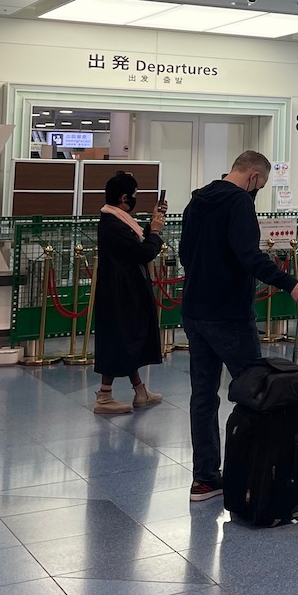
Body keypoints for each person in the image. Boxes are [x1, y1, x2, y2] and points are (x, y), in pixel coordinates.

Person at [178, 151, 298, 502]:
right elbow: (249, 256)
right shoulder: (239, 202)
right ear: (254, 176)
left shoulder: (197, 200)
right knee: (258, 391)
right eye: (261, 184)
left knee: (203, 396)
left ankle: (205, 478)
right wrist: (290, 283)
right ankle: (254, 473)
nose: (258, 190)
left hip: (194, 311)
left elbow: (183, 253)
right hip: (229, 315)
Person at [91, 172, 166, 415]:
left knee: (130, 340)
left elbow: (136, 242)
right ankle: (104, 396)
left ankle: (140, 390)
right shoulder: (113, 225)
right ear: (124, 198)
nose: (134, 200)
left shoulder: (118, 221)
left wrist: (152, 223)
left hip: (125, 291)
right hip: (120, 295)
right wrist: (155, 232)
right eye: (133, 196)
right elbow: (143, 252)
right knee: (119, 339)